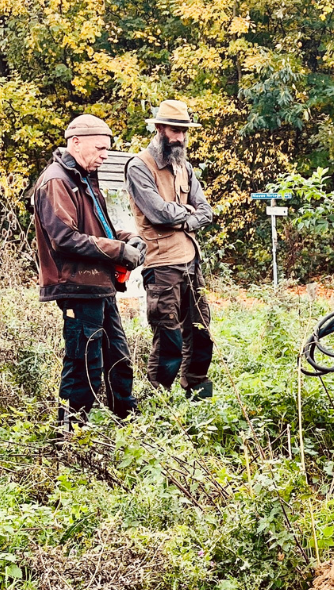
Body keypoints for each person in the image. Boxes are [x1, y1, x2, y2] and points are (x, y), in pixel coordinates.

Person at [32, 114, 145, 429]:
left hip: (99, 287)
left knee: (118, 359)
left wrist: (128, 239)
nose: (105, 155)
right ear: (76, 142)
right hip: (77, 287)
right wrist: (119, 251)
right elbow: (64, 238)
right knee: (84, 365)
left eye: (107, 149)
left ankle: (128, 427)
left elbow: (99, 230)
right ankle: (70, 437)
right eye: (100, 148)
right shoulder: (57, 180)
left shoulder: (84, 178)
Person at [126, 100, 215, 399]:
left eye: (184, 131)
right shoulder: (139, 166)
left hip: (191, 261)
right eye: (175, 131)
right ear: (160, 128)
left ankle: (199, 396)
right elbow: (158, 213)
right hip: (162, 265)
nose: (181, 137)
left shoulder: (185, 166)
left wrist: (185, 217)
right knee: (168, 339)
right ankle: (159, 402)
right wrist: (187, 213)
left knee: (201, 333)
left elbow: (206, 211)